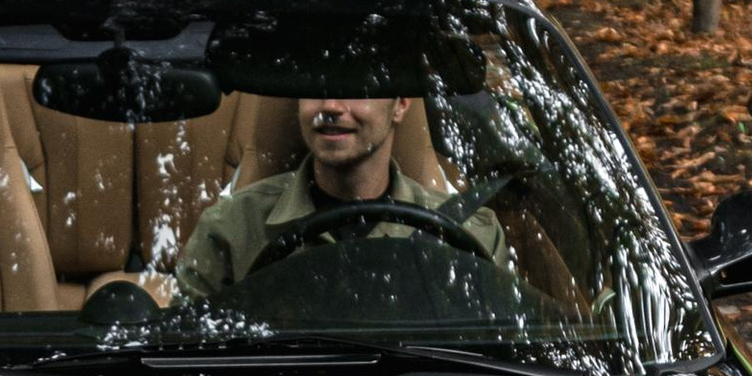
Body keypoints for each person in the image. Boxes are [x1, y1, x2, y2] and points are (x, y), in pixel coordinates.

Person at [172, 95, 509, 301]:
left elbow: (503, 360)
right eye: (315, 89)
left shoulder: (470, 235)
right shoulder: (232, 229)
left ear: (401, 104)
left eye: (355, 88)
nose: (331, 106)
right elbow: (188, 360)